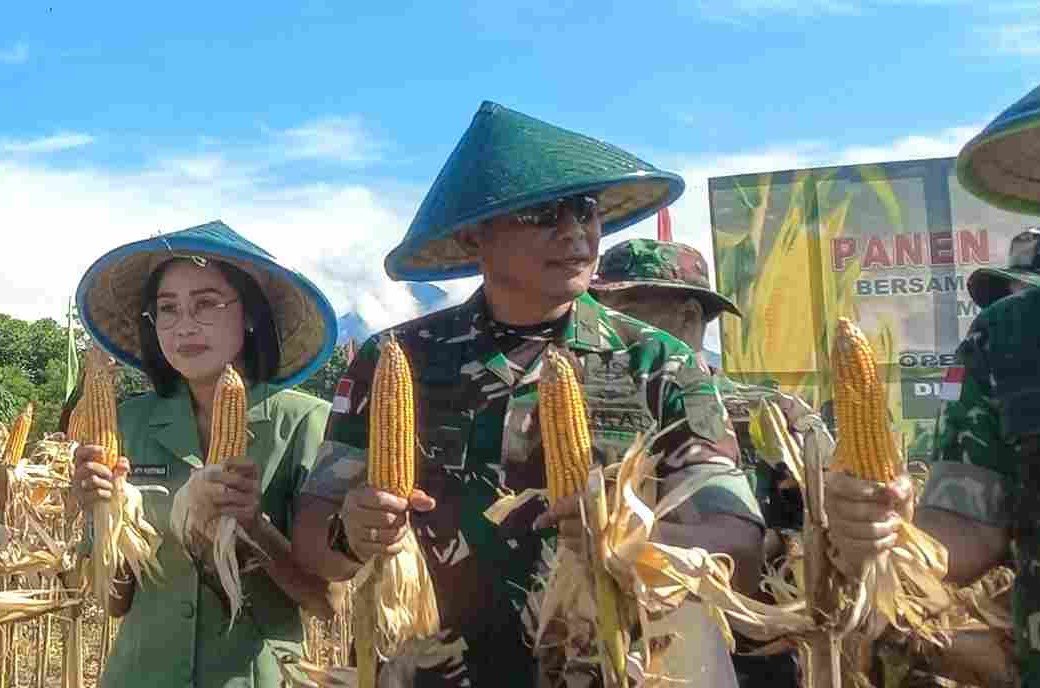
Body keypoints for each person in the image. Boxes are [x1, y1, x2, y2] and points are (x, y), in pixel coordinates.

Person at [290, 100, 765, 687]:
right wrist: (350, 533)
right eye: (541, 213)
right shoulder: (396, 360)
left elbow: (738, 544)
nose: (573, 231)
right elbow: (312, 538)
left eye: (585, 210)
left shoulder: (660, 364)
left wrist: (634, 536)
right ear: (475, 234)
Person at [70, 220, 340, 688]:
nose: (185, 326)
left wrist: (255, 525)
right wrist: (102, 513)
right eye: (167, 309)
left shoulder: (306, 424)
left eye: (206, 303)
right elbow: (115, 603)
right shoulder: (127, 423)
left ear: (249, 314)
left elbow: (327, 601)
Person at [588, 237, 804, 688]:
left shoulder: (775, 417)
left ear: (688, 317)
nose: (607, 327)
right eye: (601, 310)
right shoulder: (601, 409)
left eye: (627, 310)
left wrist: (770, 544)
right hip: (634, 655)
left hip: (753, 656)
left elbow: (823, 545)